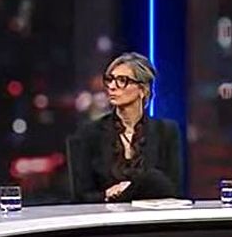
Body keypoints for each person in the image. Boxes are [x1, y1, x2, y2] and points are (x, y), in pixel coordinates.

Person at [68, 53, 183, 203]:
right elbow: (81, 196)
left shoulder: (166, 131)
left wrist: (129, 188)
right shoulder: (90, 133)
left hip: (151, 216)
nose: (112, 86)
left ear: (143, 90)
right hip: (105, 215)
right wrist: (107, 195)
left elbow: (172, 189)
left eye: (122, 80)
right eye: (110, 79)